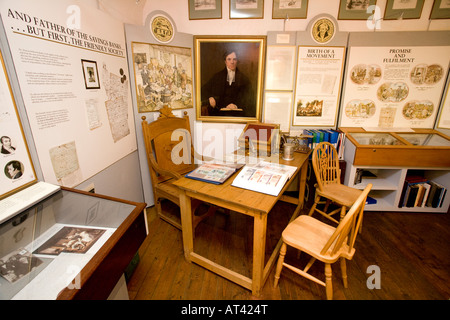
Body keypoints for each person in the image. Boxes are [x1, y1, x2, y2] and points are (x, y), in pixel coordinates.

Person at [201, 50, 254, 117]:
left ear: (237, 61)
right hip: (219, 113)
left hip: (238, 114)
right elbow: (203, 91)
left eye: (234, 59)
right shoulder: (217, 77)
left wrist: (236, 105)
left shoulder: (244, 79)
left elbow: (250, 99)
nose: (232, 62)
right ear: (225, 61)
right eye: (229, 59)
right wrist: (210, 98)